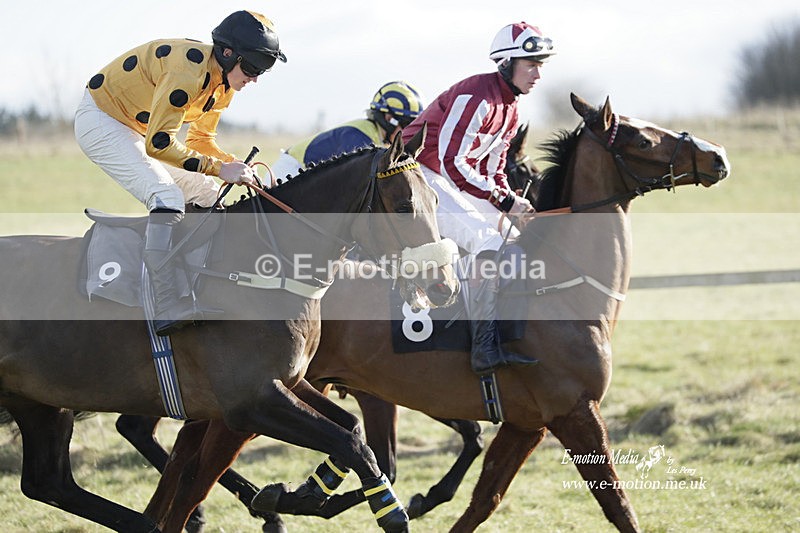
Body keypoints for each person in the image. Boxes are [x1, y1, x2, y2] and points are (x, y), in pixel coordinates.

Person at [74, 10, 287, 336]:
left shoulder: (223, 84)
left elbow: (200, 141)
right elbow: (159, 144)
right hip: (102, 120)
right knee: (167, 196)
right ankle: (165, 303)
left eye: (261, 71)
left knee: (208, 192)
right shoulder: (186, 75)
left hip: (136, 129)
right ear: (227, 53)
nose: (254, 78)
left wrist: (233, 165)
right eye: (252, 68)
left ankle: (196, 282)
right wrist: (220, 168)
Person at [401, 22, 556, 375]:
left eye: (541, 66)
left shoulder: (511, 108)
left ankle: (504, 330)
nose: (538, 75)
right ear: (507, 63)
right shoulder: (476, 97)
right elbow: (451, 162)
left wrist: (510, 201)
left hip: (445, 178)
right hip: (417, 175)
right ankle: (482, 346)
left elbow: (493, 168)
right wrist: (504, 202)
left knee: (512, 238)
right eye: (531, 65)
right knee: (489, 242)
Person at [270, 81, 424, 181]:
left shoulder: (376, 136)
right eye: (407, 124)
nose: (407, 132)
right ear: (389, 119)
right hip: (291, 172)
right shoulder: (360, 137)